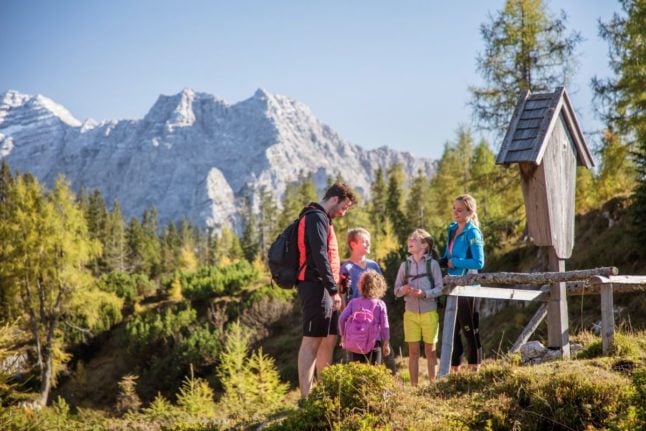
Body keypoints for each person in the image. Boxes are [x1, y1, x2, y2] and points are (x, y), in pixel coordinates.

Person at [296, 182, 357, 399]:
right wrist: (333, 290)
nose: (343, 212)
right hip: (314, 286)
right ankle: (306, 397)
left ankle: (321, 392)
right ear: (334, 199)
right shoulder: (315, 217)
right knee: (311, 340)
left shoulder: (324, 219)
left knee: (324, 339)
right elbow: (320, 254)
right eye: (344, 207)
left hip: (323, 286)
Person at [440, 194, 485, 373]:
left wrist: (456, 262)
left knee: (469, 329)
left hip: (469, 288)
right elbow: (447, 257)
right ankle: (454, 373)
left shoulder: (473, 232)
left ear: (469, 212)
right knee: (453, 331)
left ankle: (475, 371)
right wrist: (434, 260)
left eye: (460, 210)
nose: (456, 213)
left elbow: (479, 262)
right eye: (454, 209)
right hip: (452, 287)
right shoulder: (452, 229)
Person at [394, 229, 443, 385]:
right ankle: (414, 388)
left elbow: (441, 289)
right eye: (410, 238)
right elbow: (396, 291)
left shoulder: (433, 264)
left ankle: (433, 386)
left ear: (424, 245)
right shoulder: (404, 266)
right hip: (410, 314)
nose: (410, 241)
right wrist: (404, 290)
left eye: (414, 239)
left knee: (431, 351)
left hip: (430, 313)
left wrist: (424, 293)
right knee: (413, 352)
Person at [338, 270, 391, 365]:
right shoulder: (380, 304)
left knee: (357, 372)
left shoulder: (353, 302)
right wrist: (386, 342)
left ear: (361, 286)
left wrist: (343, 335)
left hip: (356, 343)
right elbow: (385, 326)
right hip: (374, 343)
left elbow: (342, 318)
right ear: (379, 287)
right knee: (373, 372)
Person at [339, 228, 382, 303]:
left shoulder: (374, 266)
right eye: (364, 241)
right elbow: (342, 294)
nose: (368, 244)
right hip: (354, 312)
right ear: (353, 244)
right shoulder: (346, 268)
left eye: (369, 241)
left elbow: (380, 289)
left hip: (373, 311)